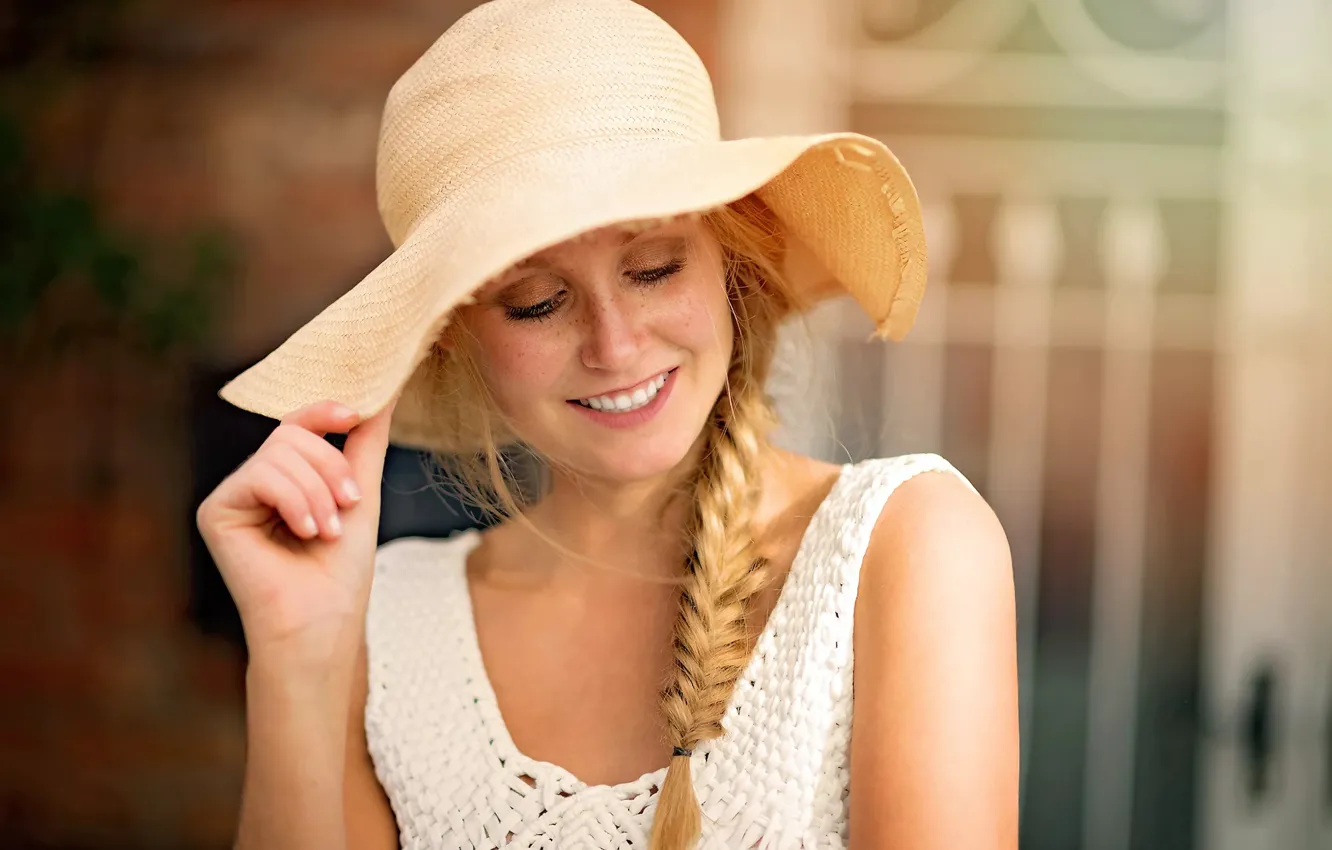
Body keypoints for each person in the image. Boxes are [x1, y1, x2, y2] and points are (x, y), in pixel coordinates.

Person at [194, 0, 1019, 848]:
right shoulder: (389, 625)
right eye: (537, 302)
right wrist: (299, 663)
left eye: (654, 268)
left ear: (727, 262)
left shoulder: (899, 549)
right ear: (453, 340)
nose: (615, 344)